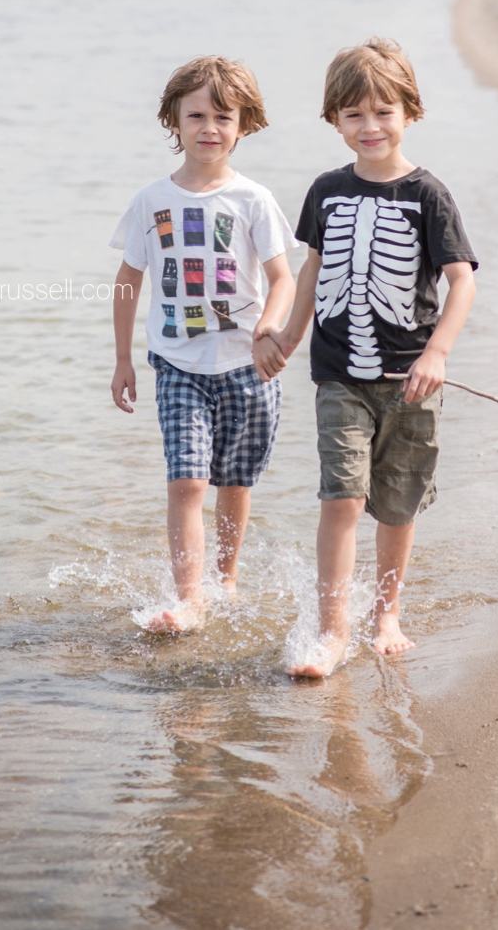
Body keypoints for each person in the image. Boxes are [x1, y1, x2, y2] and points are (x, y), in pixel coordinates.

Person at [271, 37, 477, 679]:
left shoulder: (428, 195)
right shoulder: (326, 191)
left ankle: (386, 612)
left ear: (409, 112)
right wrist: (286, 333)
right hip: (338, 378)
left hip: (410, 380)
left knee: (397, 503)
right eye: (354, 115)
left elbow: (462, 278)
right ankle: (331, 630)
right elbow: (312, 269)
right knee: (340, 497)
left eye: (383, 112)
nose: (370, 126)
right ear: (334, 120)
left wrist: (438, 351)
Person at [110, 56, 297, 633]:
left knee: (234, 480)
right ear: (174, 120)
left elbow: (283, 279)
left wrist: (269, 329)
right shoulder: (151, 201)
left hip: (247, 364)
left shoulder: (252, 200)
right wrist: (122, 359)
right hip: (176, 363)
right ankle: (189, 598)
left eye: (223, 116)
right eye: (196, 115)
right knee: (189, 480)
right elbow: (127, 280)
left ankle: (227, 576)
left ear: (244, 124)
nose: (209, 127)